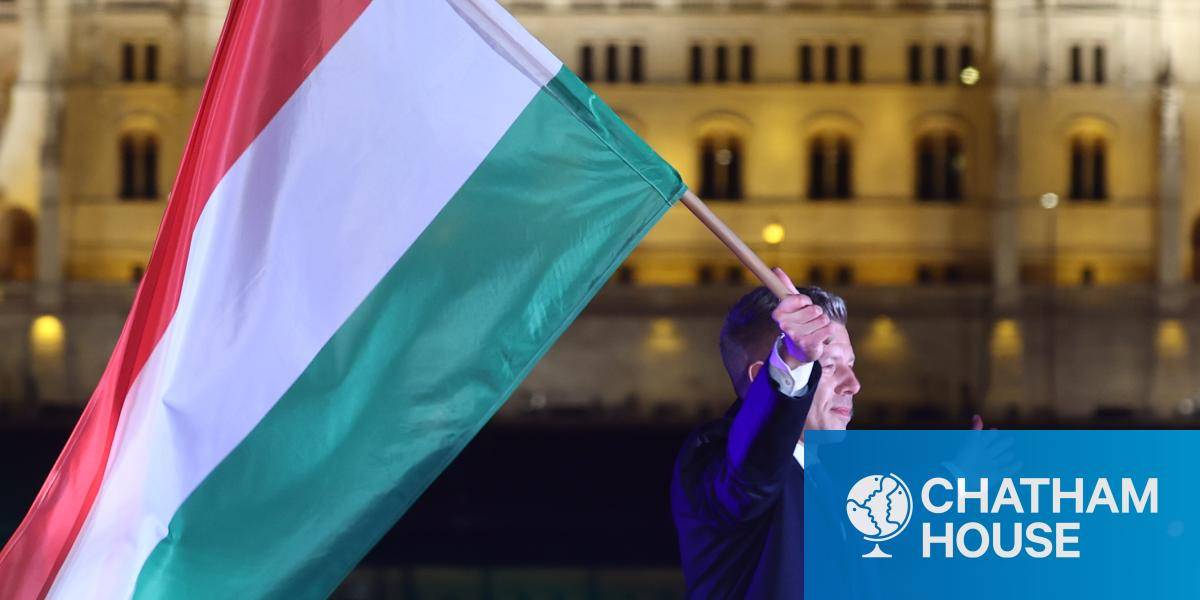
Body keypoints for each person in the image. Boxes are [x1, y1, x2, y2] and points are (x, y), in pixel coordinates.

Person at [669, 268, 859, 599]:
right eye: (829, 367)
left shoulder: (827, 477)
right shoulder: (719, 457)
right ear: (762, 380)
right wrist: (793, 363)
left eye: (851, 365)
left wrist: (958, 478)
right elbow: (753, 471)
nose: (853, 385)